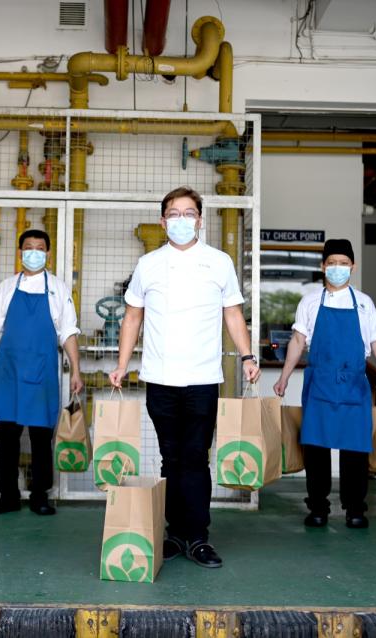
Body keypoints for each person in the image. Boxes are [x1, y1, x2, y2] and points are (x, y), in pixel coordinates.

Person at [109, 186, 260, 569]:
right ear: (163, 222)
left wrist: (246, 355)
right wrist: (122, 363)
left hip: (203, 378)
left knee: (195, 457)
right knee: (169, 458)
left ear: (200, 219)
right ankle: (174, 534)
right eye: (173, 214)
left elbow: (232, 314)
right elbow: (132, 317)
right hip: (159, 378)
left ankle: (198, 537)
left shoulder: (218, 262)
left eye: (188, 213)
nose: (181, 220)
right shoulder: (148, 265)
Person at [273, 238, 376, 530]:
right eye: (331, 262)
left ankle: (355, 508)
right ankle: (317, 507)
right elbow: (298, 341)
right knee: (316, 448)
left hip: (354, 385)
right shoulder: (309, 302)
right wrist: (284, 376)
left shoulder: (364, 303)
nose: (337, 268)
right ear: (322, 266)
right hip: (319, 383)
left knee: (355, 449)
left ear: (352, 266)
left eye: (343, 263)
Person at [0, 229, 83, 516]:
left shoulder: (58, 289)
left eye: (39, 248)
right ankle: (8, 496)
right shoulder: (5, 288)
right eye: (28, 248)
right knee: (8, 435)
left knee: (42, 438)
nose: (33, 253)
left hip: (42, 373)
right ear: (20, 253)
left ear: (48, 254)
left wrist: (76, 370)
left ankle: (40, 495)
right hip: (9, 373)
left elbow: (67, 332)